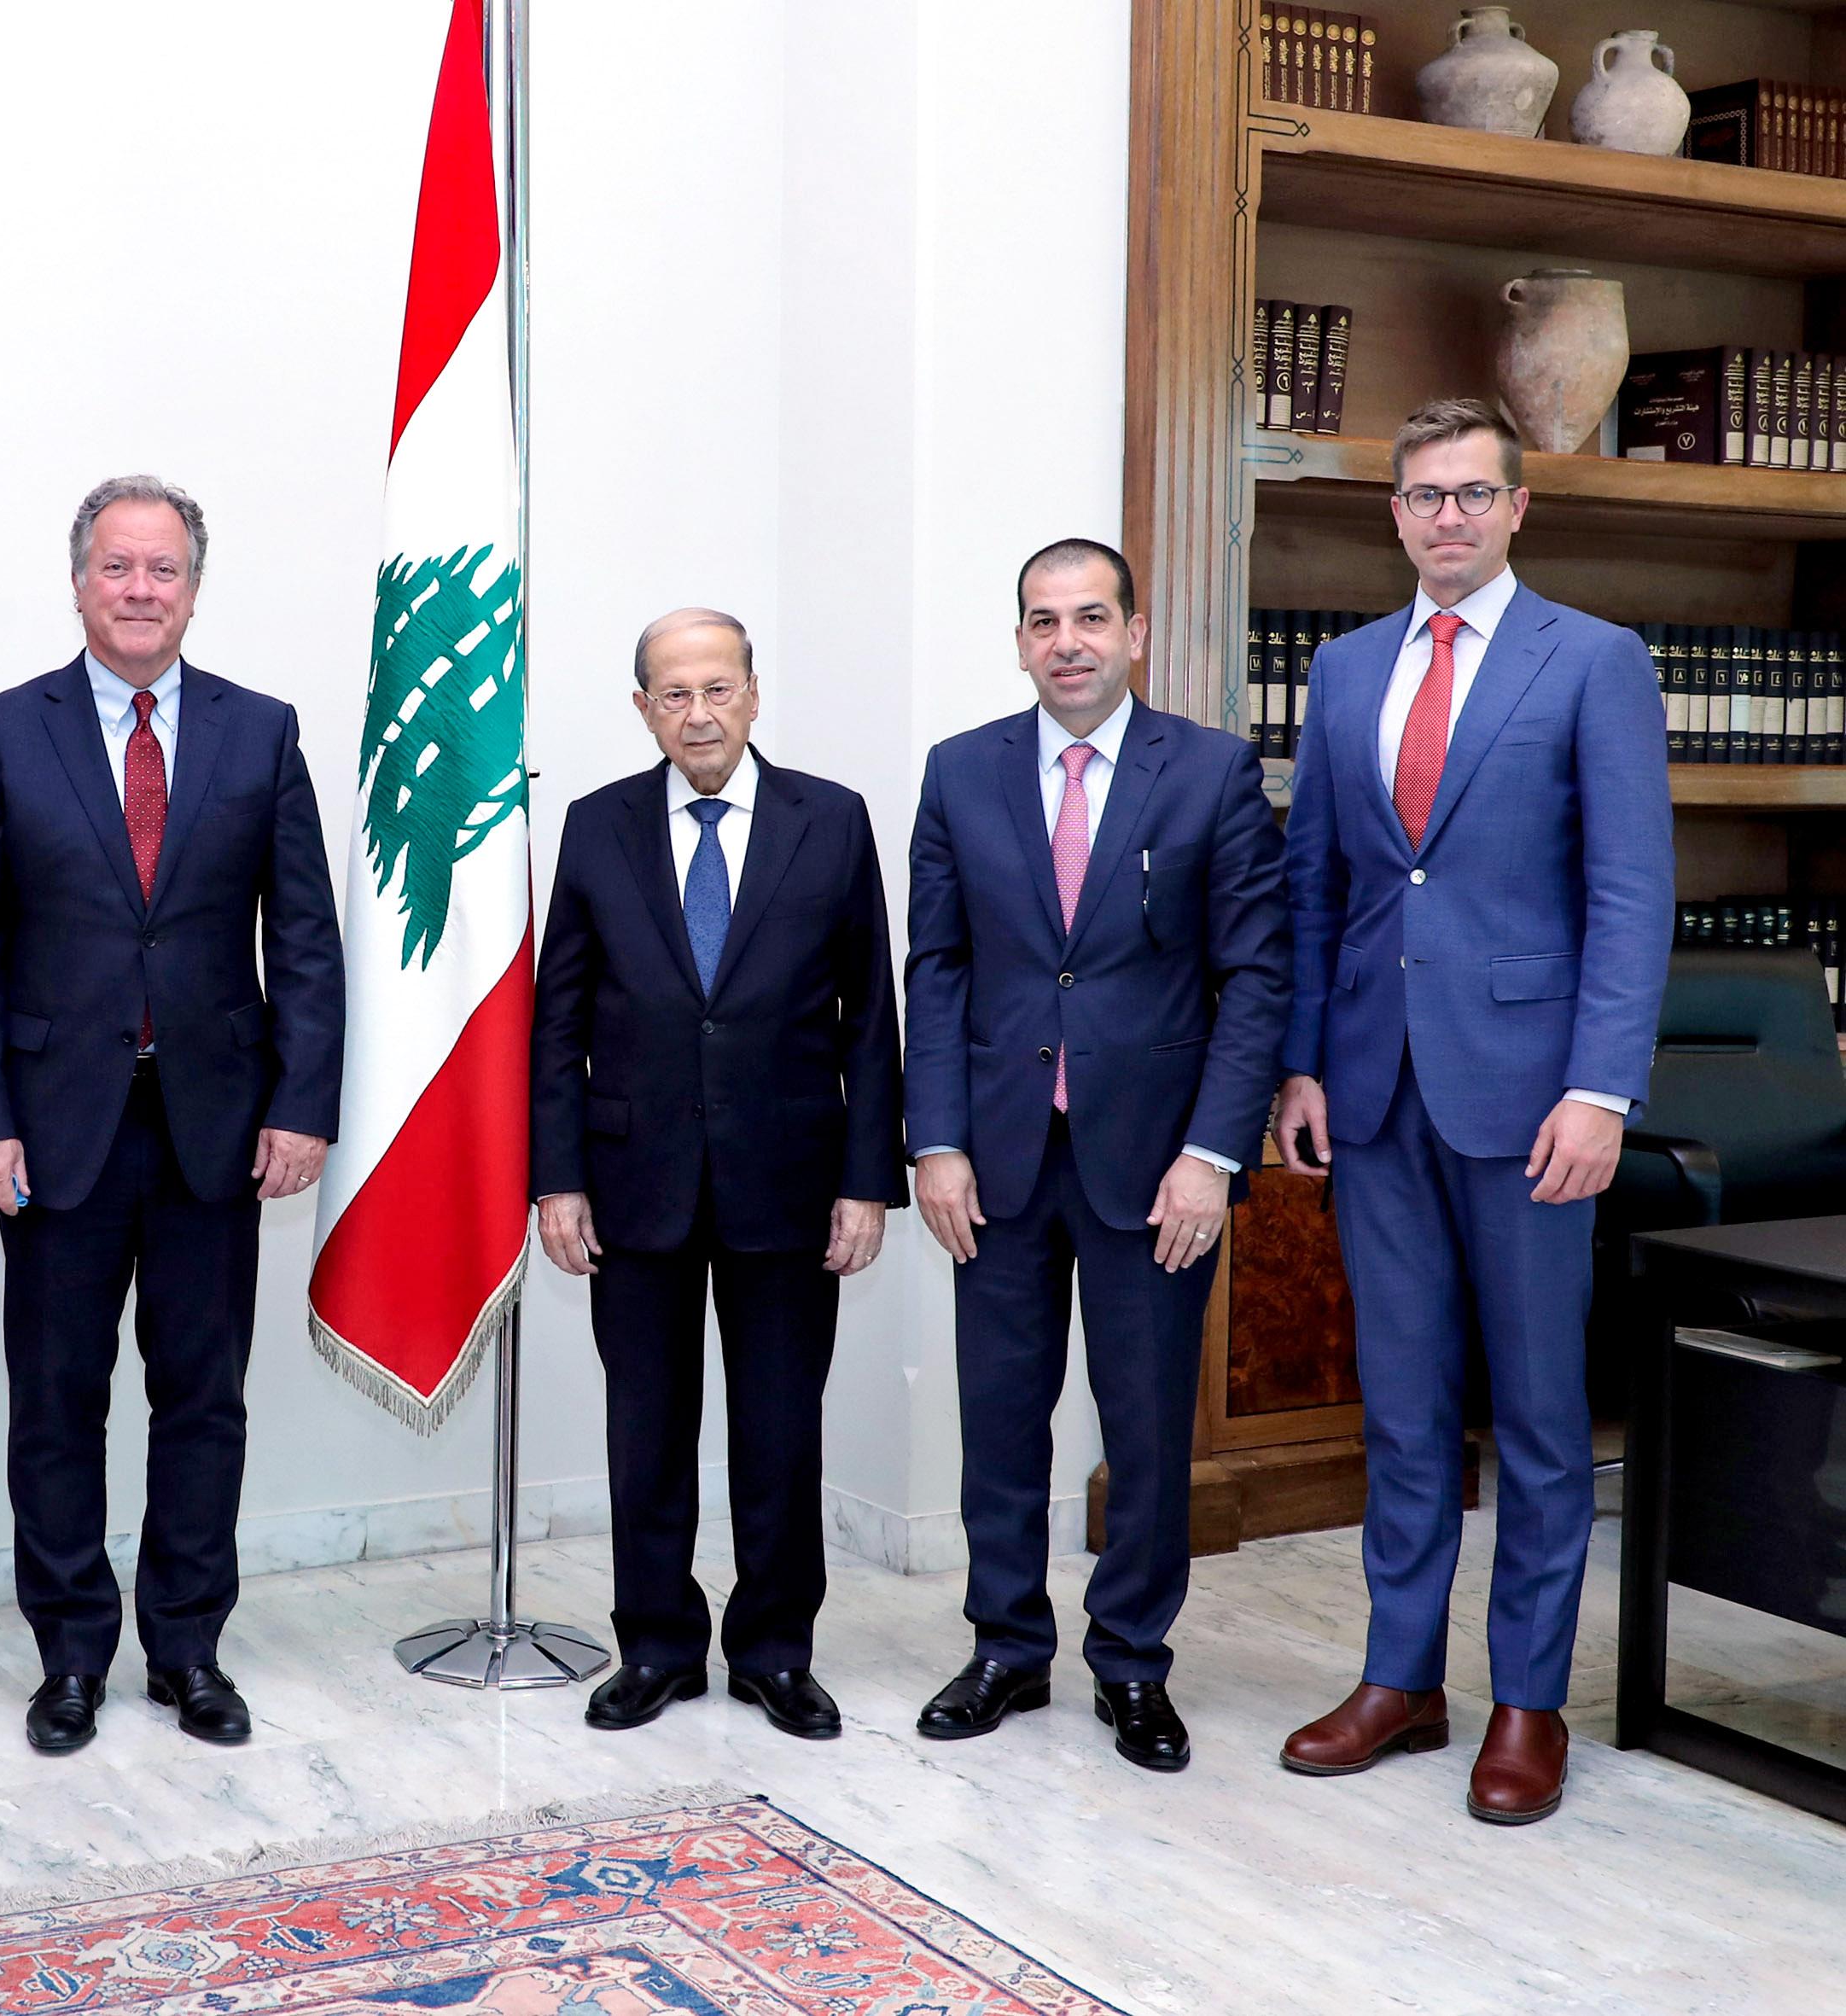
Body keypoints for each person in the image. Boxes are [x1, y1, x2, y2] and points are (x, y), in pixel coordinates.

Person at [1274, 398, 1673, 1824]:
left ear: (1517, 509)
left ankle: (1527, 1701)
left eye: (1472, 495)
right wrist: (1307, 1061)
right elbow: (1318, 881)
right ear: (1394, 514)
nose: (1447, 516)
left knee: (1543, 1417)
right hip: (1375, 1092)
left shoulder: (1596, 663)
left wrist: (1601, 1088)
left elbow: (1632, 893)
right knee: (1404, 1407)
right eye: (1424, 494)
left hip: (1530, 1105)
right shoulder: (1344, 671)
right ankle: (1402, 1680)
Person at [0, 475, 345, 1756]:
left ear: (195, 589)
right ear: (79, 580)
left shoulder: (261, 732)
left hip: (217, 1124)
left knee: (204, 1397)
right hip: (53, 1131)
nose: (141, 591)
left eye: (163, 570)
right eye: (119, 567)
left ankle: (188, 1648)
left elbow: (309, 940)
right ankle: (69, 1655)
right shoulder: (4, 731)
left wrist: (304, 1104)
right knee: (58, 1398)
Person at [902, 540, 1290, 1773]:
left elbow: (1254, 976)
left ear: (1134, 631)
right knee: (1000, 1419)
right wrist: (938, 1139)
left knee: (1146, 1423)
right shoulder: (960, 773)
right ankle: (1008, 1648)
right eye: (1040, 621)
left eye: (1088, 617)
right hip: (1000, 1160)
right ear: (1018, 641)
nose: (1065, 640)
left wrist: (1214, 1155)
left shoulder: (1215, 772)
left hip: (1154, 1165)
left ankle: (1131, 1661)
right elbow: (940, 968)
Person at [530, 608, 904, 1742]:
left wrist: (864, 1180)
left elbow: (868, 1019)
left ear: (753, 692)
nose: (699, 712)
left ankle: (775, 1650)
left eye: (718, 688)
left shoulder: (830, 821)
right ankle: (655, 1644)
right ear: (644, 707)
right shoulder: (597, 827)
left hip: (791, 1181)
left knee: (780, 1433)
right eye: (674, 693)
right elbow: (558, 1021)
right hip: (631, 1178)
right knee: (646, 1431)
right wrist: (557, 1177)